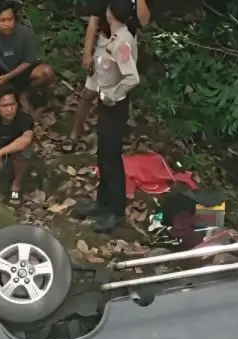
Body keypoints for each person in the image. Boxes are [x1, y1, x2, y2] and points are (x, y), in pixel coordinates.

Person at [71, 0, 140, 232]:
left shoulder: (122, 42)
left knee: (112, 158)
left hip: (114, 105)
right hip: (105, 102)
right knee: (103, 154)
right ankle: (102, 202)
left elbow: (132, 77)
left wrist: (113, 95)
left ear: (110, 13)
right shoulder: (115, 37)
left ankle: (117, 211)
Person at [71, 0, 150, 141]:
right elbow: (94, 20)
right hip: (106, 43)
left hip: (126, 42)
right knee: (90, 91)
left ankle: (115, 132)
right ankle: (75, 133)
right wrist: (87, 53)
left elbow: (144, 22)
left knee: (123, 87)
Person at [0, 0, 55, 113]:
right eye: (3, 20)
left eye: (10, 19)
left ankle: (24, 95)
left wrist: (9, 76)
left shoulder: (25, 33)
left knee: (47, 72)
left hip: (20, 72)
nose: (8, 24)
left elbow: (29, 61)